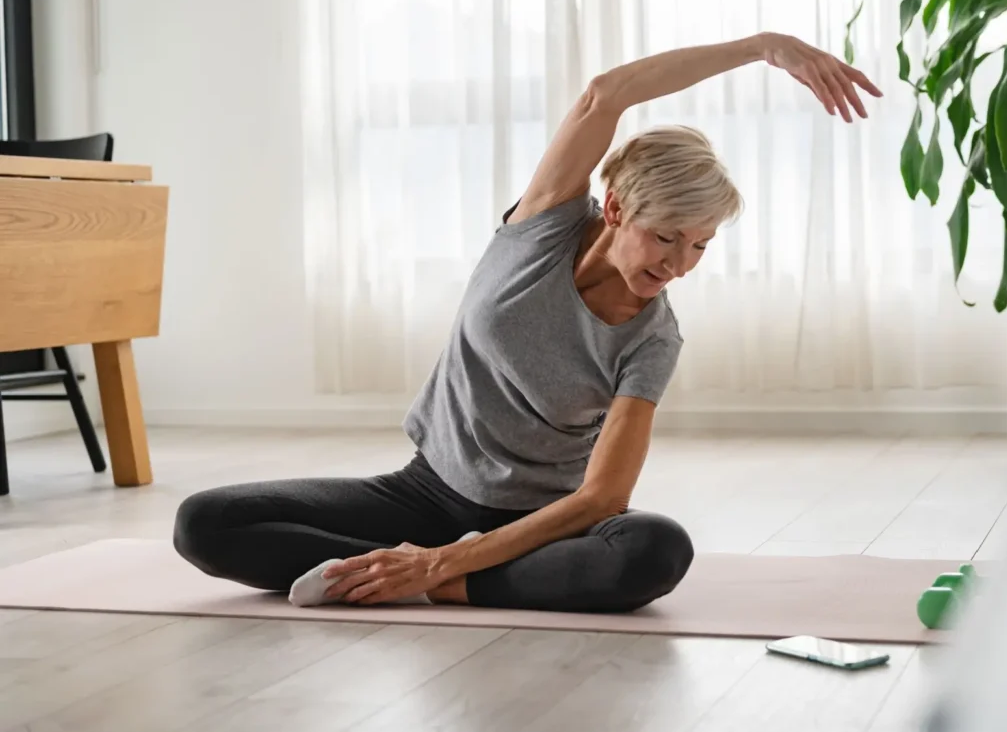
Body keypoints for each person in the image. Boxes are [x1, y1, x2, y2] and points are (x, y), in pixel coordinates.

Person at [173, 32, 879, 613]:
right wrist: (763, 48)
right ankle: (419, 574)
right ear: (617, 210)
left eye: (701, 245)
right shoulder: (540, 227)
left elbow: (604, 496)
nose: (680, 265)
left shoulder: (652, 337)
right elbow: (607, 93)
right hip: (422, 491)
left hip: (538, 525)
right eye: (667, 236)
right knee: (204, 523)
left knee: (654, 550)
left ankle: (437, 582)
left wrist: (450, 559)